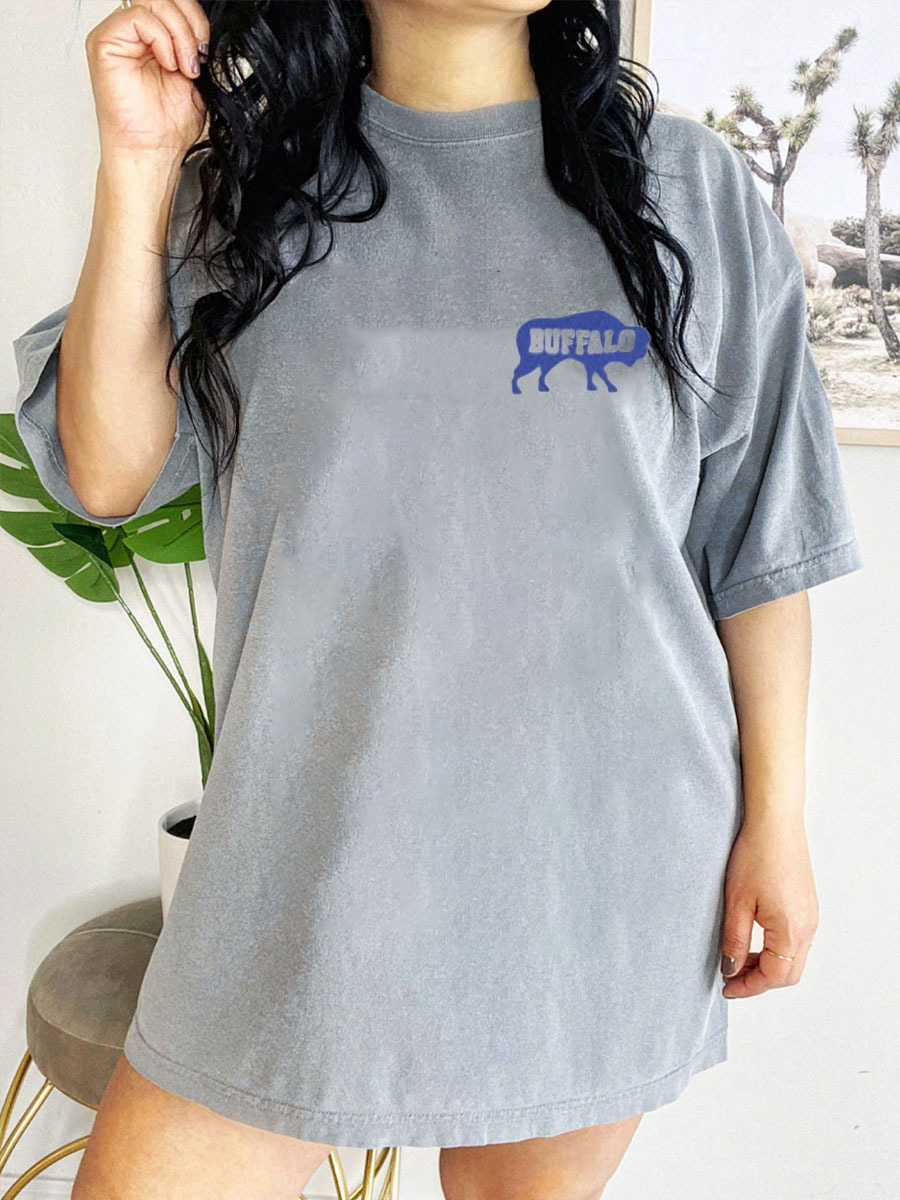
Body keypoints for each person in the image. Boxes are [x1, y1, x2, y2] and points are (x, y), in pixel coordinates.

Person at [11, 0, 864, 1197]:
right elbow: (105, 474)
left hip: (598, 860)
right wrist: (142, 162)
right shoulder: (251, 187)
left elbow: (758, 546)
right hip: (307, 857)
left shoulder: (685, 189)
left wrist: (778, 820)